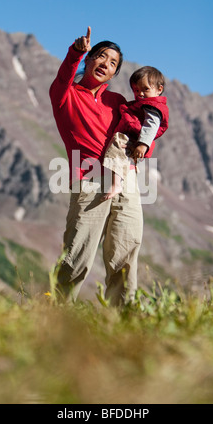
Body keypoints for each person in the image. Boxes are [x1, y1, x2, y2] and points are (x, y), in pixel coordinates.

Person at [49, 27, 143, 306]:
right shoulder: (65, 94)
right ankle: (55, 320)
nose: (106, 64)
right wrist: (75, 52)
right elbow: (65, 74)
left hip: (126, 177)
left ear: (115, 74)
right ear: (89, 60)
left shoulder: (117, 102)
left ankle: (123, 323)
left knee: (125, 253)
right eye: (101, 56)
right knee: (78, 255)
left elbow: (139, 130)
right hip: (90, 178)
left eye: (113, 63)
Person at [102, 66, 169, 200]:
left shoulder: (152, 106)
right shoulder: (144, 104)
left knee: (117, 148)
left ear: (159, 89)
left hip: (135, 139)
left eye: (146, 89)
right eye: (136, 90)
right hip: (135, 139)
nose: (141, 94)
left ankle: (116, 184)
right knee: (122, 154)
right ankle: (127, 172)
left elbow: (151, 125)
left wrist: (143, 144)